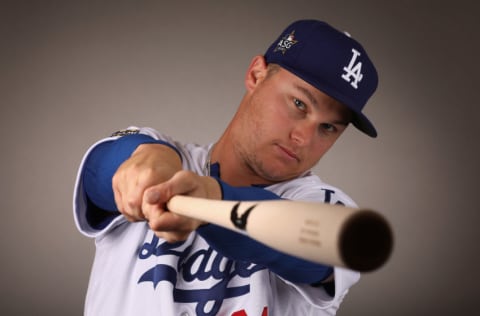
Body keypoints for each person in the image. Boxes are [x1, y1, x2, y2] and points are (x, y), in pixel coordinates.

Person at [73, 19, 379, 316]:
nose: (303, 138)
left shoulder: (325, 206)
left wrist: (210, 199)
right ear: (256, 75)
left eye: (327, 128)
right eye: (299, 104)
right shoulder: (162, 155)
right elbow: (100, 171)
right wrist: (148, 157)